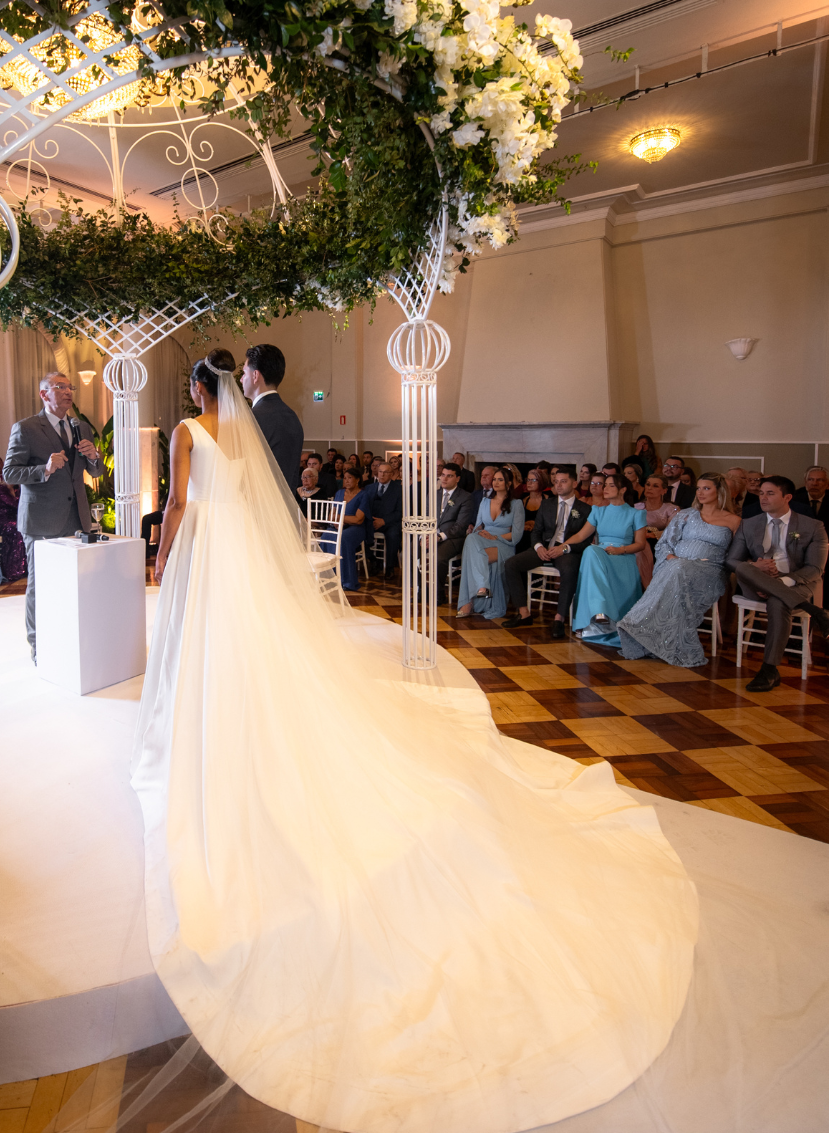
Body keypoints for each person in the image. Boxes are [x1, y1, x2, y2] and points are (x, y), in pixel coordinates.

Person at [134, 350, 696, 1133]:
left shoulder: (193, 432)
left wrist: (159, 560)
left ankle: (202, 730)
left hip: (211, 563)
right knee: (249, 661)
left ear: (197, 388)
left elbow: (182, 508)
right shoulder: (245, 434)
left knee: (205, 654)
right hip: (246, 570)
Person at [2, 372, 106, 662]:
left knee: (76, 582)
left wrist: (94, 457)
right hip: (41, 521)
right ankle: (39, 646)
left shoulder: (80, 426)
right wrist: (43, 470)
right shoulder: (25, 428)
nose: (68, 392)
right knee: (40, 585)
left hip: (77, 519)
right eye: (60, 387)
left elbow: (95, 472)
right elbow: (8, 473)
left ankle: (70, 637)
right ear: (44, 395)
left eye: (70, 387)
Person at [618, 473, 739, 668]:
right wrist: (671, 558)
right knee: (678, 568)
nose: (700, 492)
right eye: (698, 488)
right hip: (674, 565)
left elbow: (735, 555)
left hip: (709, 570)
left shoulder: (733, 521)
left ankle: (639, 623)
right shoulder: (685, 514)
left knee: (679, 569)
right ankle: (648, 631)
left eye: (706, 488)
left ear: (720, 491)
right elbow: (664, 543)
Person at [727, 475, 829, 692]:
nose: (763, 498)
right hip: (756, 584)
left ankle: (769, 669)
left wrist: (780, 582)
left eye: (770, 493)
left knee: (778, 602)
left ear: (787, 497)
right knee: (744, 567)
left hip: (795, 582)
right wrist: (757, 567)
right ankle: (814, 611)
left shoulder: (812, 526)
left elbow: (815, 569)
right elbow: (732, 560)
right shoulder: (749, 523)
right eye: (761, 493)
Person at [501, 466, 592, 638]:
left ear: (574, 483)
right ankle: (524, 613)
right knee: (511, 564)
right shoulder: (547, 504)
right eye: (556, 482)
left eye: (563, 482)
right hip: (544, 547)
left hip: (567, 550)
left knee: (569, 570)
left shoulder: (585, 509)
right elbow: (536, 531)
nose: (558, 485)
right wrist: (539, 547)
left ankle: (559, 619)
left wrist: (564, 548)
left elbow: (585, 541)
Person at [564, 473, 648, 645]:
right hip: (599, 556)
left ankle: (601, 615)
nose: (605, 489)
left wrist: (620, 550)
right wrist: (562, 546)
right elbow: (581, 535)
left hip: (622, 557)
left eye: (610, 485)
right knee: (591, 551)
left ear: (623, 489)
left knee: (590, 553)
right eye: (605, 485)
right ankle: (599, 613)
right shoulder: (598, 510)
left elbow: (640, 544)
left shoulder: (636, 514)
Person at [456, 467, 524, 620]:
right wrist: (476, 531)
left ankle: (468, 602)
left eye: (500, 480)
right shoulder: (485, 501)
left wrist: (495, 538)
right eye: (495, 479)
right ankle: (481, 587)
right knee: (471, 538)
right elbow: (479, 525)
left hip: (504, 543)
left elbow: (516, 534)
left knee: (471, 555)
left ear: (509, 484)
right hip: (484, 540)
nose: (496, 482)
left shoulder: (516, 504)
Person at [240, 343, 304, 496]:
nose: (241, 380)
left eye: (244, 373)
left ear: (255, 376)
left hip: (255, 512)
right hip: (284, 513)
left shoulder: (251, 419)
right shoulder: (293, 418)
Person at [435, 462, 473, 602]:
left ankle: (438, 594)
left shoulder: (465, 497)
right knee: (410, 551)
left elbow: (461, 525)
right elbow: (427, 517)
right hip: (432, 535)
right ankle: (421, 590)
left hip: (453, 538)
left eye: (449, 476)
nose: (444, 479)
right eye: (443, 475)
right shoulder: (434, 494)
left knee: (438, 557)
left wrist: (440, 536)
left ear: (457, 478)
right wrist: (426, 536)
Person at [635, 474, 679, 588]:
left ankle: (649, 587)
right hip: (638, 541)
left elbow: (672, 531)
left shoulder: (670, 509)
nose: (649, 488)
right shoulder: (636, 507)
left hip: (661, 544)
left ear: (664, 491)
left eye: (655, 486)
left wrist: (651, 534)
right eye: (648, 485)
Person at [333, 468, 373, 591]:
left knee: (344, 538)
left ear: (357, 480)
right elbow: (331, 516)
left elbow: (358, 519)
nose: (347, 480)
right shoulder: (339, 493)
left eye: (350, 478)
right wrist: (338, 521)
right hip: (339, 527)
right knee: (326, 536)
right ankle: (331, 578)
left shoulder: (363, 495)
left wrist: (339, 518)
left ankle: (348, 581)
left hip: (357, 529)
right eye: (345, 478)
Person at [369, 461, 402, 576]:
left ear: (391, 474)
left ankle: (390, 567)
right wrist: (372, 520)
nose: (382, 475)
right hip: (372, 521)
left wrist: (383, 521)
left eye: (385, 472)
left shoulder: (399, 489)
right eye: (380, 472)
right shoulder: (369, 488)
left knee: (393, 534)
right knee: (357, 531)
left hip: (390, 523)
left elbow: (400, 512)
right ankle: (374, 561)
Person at [515, 468, 547, 552]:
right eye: (528, 479)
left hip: (541, 538)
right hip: (523, 537)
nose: (529, 482)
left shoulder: (549, 500)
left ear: (541, 481)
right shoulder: (521, 500)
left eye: (533, 480)